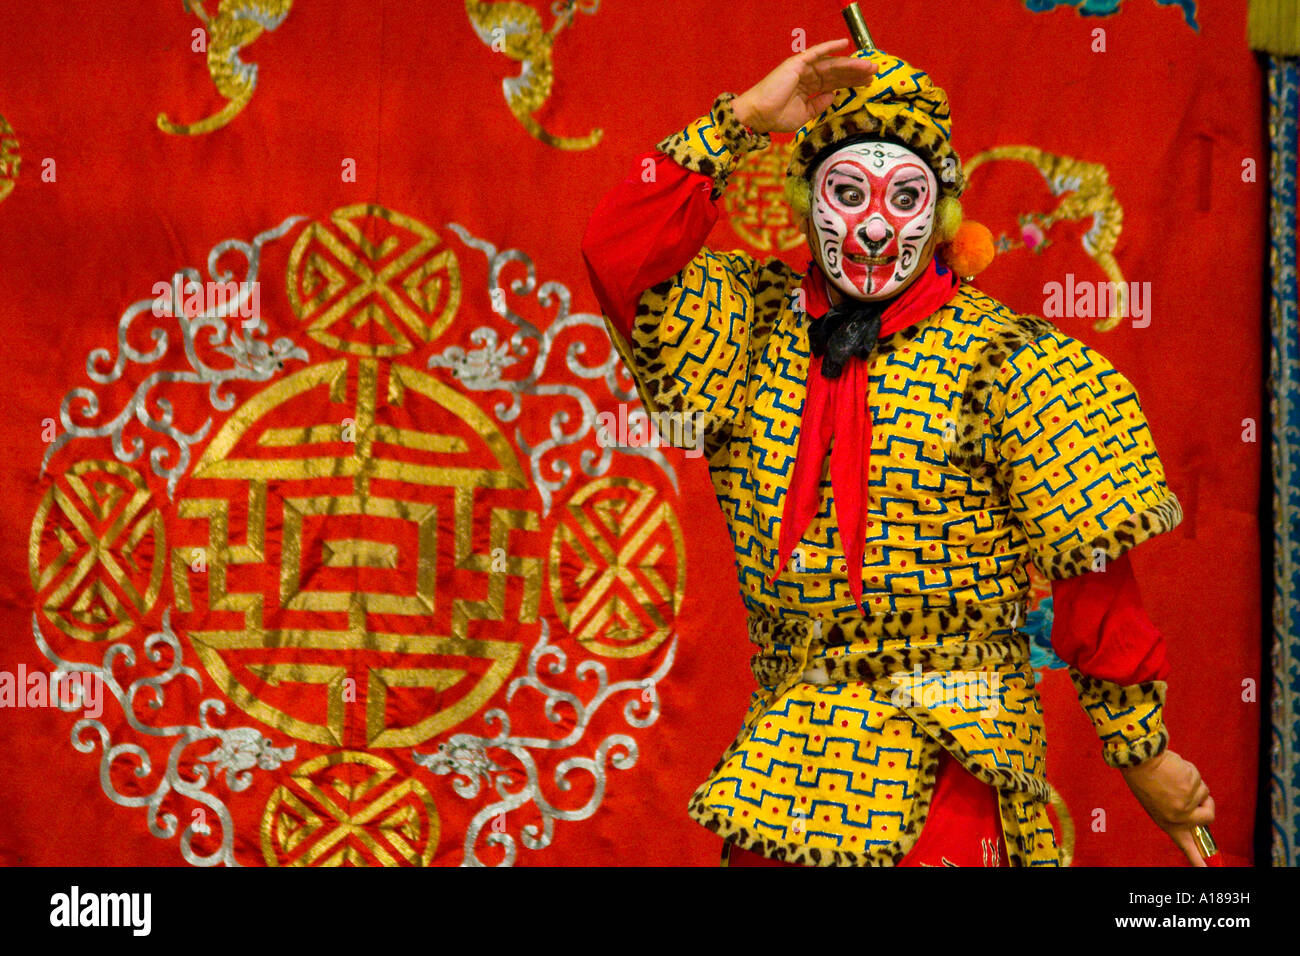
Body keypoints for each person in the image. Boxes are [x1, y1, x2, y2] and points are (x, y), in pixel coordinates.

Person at [580, 36, 1215, 867]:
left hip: (952, 773)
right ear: (808, 205)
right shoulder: (745, 328)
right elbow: (618, 252)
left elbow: (1096, 586)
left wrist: (1144, 753)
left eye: (904, 197)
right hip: (788, 771)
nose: (876, 226)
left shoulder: (1014, 361)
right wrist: (740, 122)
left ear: (942, 214)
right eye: (847, 192)